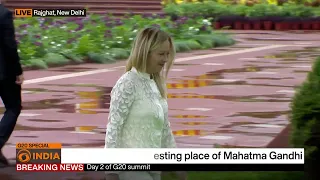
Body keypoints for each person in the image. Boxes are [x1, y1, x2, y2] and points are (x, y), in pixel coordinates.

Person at [105, 27, 186, 180]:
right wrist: (111, 171)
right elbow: (113, 128)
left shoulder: (155, 84)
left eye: (167, 54)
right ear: (145, 52)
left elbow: (164, 130)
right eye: (161, 54)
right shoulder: (127, 83)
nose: (165, 59)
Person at [0, 1, 24, 167]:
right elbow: (9, 45)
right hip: (3, 72)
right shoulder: (3, 14)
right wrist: (18, 70)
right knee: (14, 106)